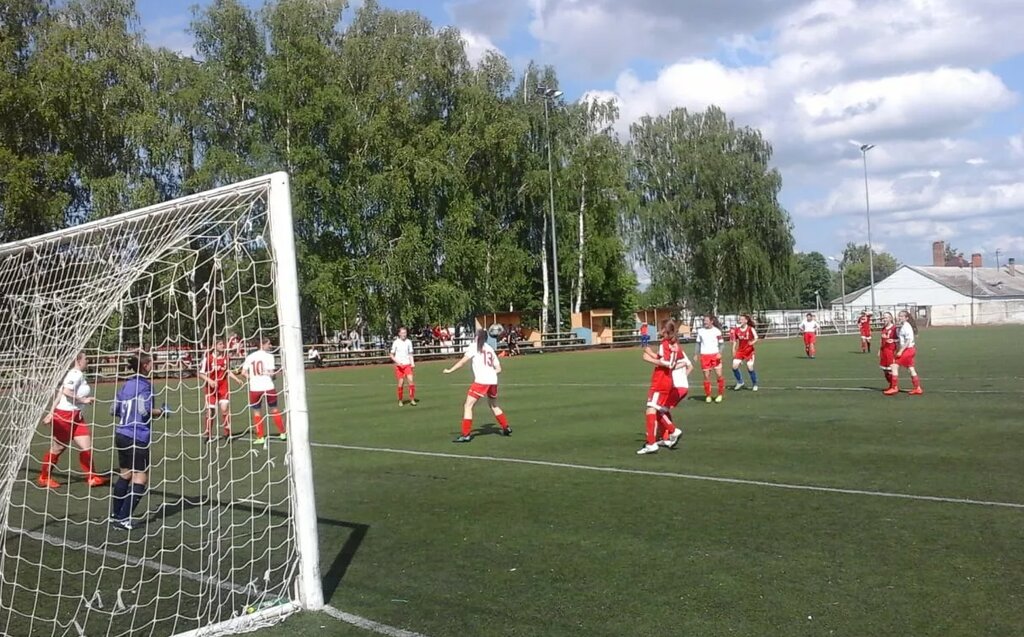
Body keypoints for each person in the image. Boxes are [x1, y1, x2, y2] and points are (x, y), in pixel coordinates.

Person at [110, 352, 167, 530]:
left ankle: (115, 515)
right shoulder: (145, 386)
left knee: (125, 474)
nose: (153, 366)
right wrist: (163, 411)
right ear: (145, 366)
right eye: (151, 363)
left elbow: (113, 409)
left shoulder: (126, 384)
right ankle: (123, 519)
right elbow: (144, 410)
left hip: (121, 433)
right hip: (137, 435)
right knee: (140, 478)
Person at [37, 351, 107, 488]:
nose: (88, 361)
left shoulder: (75, 374)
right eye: (86, 359)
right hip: (65, 416)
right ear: (78, 360)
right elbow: (66, 392)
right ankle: (44, 477)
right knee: (58, 449)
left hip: (77, 416)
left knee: (86, 446)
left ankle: (92, 477)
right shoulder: (75, 374)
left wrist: (50, 412)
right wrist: (83, 400)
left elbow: (60, 394)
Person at [443, 329, 510, 442]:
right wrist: (490, 373)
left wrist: (450, 370)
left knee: (468, 406)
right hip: (493, 380)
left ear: (477, 337)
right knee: (494, 405)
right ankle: (506, 427)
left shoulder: (474, 347)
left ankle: (466, 434)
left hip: (481, 381)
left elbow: (462, 362)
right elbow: (499, 369)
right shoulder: (489, 348)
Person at [637, 321, 686, 454]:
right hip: (666, 380)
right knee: (656, 410)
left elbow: (668, 363)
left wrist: (649, 359)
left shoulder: (665, 344)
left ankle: (652, 443)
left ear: (665, 330)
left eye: (660, 329)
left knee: (651, 409)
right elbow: (676, 361)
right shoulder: (674, 344)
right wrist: (651, 353)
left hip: (661, 380)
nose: (658, 331)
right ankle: (671, 432)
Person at [242, 337, 287, 445]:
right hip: (268, 386)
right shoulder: (269, 356)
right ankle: (282, 433)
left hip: (255, 388)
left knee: (257, 412)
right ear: (262, 345)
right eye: (268, 344)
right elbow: (272, 374)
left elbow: (243, 372)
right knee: (274, 409)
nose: (270, 346)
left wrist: (252, 378)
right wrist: (272, 376)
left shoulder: (250, 356)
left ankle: (260, 437)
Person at [198, 338, 242, 440]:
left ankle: (227, 433)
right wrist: (210, 381)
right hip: (211, 389)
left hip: (223, 387)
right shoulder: (208, 359)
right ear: (215, 346)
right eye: (220, 344)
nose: (223, 346)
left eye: (223, 344)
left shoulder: (226, 358)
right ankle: (208, 433)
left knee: (224, 409)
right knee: (210, 411)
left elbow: (227, 371)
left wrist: (236, 379)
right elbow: (201, 374)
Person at [884, 310, 924, 396]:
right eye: (899, 316)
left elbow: (908, 341)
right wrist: (894, 340)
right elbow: (902, 339)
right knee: (911, 368)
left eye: (902, 316)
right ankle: (917, 388)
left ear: (906, 318)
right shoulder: (902, 326)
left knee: (894, 366)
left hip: (907, 350)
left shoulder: (906, 326)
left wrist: (901, 351)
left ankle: (894, 387)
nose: (900, 317)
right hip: (909, 349)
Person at [695, 315, 725, 403]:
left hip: (715, 355)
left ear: (711, 321)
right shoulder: (700, 331)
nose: (705, 322)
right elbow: (698, 343)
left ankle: (720, 395)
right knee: (706, 376)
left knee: (719, 375)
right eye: (704, 321)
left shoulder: (717, 331)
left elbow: (722, 344)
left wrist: (720, 353)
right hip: (704, 356)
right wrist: (696, 354)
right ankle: (708, 395)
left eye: (706, 320)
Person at [731, 313, 759, 391]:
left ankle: (755, 384)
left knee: (750, 368)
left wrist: (752, 342)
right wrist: (733, 349)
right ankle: (740, 382)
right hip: (740, 351)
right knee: (734, 367)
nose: (740, 320)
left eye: (742, 319)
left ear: (746, 321)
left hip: (749, 351)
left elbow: (756, 338)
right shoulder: (737, 330)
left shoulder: (750, 329)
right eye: (740, 319)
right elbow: (735, 341)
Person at [390, 327, 417, 406]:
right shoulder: (396, 342)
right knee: (401, 383)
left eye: (405, 333)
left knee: (411, 381)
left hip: (407, 364)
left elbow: (410, 354)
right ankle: (400, 400)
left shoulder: (409, 342)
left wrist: (412, 363)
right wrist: (398, 362)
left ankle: (412, 399)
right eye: (402, 333)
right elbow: (391, 355)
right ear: (399, 334)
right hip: (399, 366)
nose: (404, 334)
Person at [878, 311, 898, 387]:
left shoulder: (894, 328)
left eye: (886, 318)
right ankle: (891, 384)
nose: (884, 319)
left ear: (890, 318)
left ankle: (893, 386)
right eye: (884, 318)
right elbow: (881, 339)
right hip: (884, 351)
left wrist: (894, 340)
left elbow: (900, 339)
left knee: (890, 370)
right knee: (885, 370)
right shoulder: (883, 328)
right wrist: (879, 350)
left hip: (891, 351)